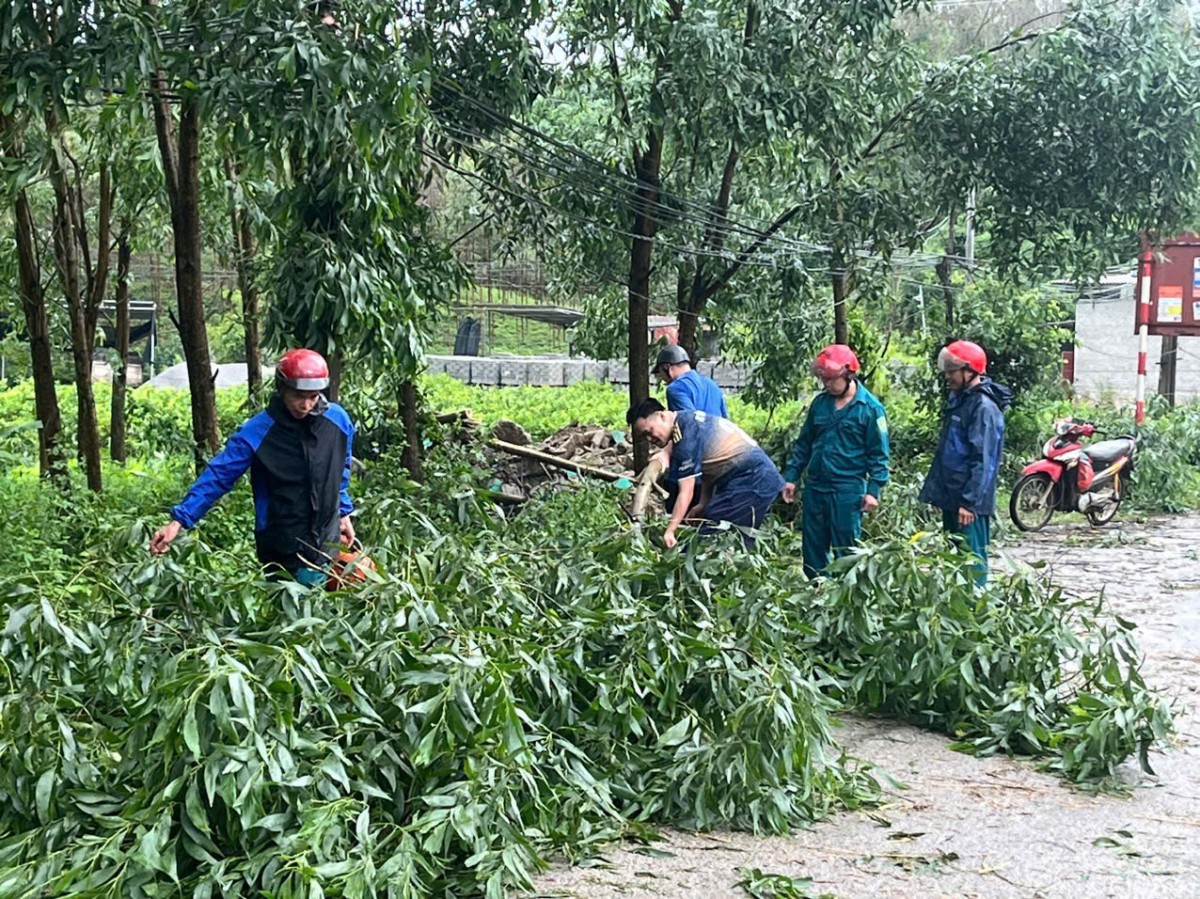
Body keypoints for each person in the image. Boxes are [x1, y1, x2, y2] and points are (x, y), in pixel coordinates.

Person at [150, 349, 356, 585]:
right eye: (299, 395)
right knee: (289, 615)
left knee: (323, 614)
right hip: (283, 544)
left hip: (326, 541)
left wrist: (344, 512)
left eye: (313, 396)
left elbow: (340, 469)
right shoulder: (257, 432)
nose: (306, 405)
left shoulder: (338, 421)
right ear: (283, 388)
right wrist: (179, 521)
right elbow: (219, 476)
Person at [781, 344, 890, 578]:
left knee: (846, 551)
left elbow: (879, 455)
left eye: (831, 379)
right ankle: (817, 595)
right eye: (823, 379)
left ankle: (845, 601)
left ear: (849, 375)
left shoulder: (870, 409)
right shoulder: (820, 404)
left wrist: (873, 490)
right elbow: (804, 444)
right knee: (812, 549)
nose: (827, 384)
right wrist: (791, 477)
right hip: (816, 487)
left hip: (847, 489)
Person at [627, 398, 784, 548]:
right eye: (644, 436)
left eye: (650, 431)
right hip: (749, 476)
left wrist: (670, 530)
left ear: (661, 416)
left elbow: (686, 492)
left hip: (752, 479)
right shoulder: (688, 419)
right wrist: (703, 503)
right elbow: (710, 467)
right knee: (722, 529)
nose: (649, 438)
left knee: (715, 537)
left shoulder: (684, 437)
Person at [918, 340, 1012, 584]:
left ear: (970, 371)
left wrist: (969, 502)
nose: (948, 376)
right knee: (953, 562)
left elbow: (984, 460)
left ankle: (976, 615)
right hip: (953, 497)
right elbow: (949, 451)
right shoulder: (959, 400)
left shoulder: (984, 408)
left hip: (969, 504)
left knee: (971, 564)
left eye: (953, 371)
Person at [652, 344, 729, 513]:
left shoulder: (675, 389)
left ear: (667, 369)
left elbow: (687, 426)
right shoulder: (712, 385)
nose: (664, 381)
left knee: (681, 522)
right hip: (715, 469)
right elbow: (726, 423)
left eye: (662, 376)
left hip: (691, 470)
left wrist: (665, 453)